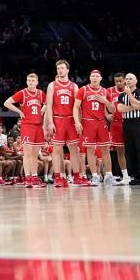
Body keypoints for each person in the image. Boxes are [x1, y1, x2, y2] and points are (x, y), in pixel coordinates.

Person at [43, 60, 83, 188]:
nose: (60, 70)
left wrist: (78, 122)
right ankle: (58, 177)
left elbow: (77, 107)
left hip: (71, 120)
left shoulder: (74, 86)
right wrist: (49, 123)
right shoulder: (52, 85)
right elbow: (48, 105)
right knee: (56, 150)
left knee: (74, 150)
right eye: (58, 68)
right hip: (57, 119)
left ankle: (77, 177)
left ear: (67, 70)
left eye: (62, 68)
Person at [74, 70, 113, 185]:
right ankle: (95, 176)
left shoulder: (105, 92)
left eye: (97, 76)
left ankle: (108, 175)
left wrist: (105, 101)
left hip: (101, 122)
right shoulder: (83, 90)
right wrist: (77, 121)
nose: (95, 78)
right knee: (90, 150)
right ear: (90, 78)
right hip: (88, 122)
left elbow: (113, 110)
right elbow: (76, 107)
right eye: (93, 76)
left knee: (105, 149)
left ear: (100, 78)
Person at [116, 73, 140, 185]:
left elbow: (138, 104)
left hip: (139, 123)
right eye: (127, 79)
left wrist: (130, 95)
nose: (128, 80)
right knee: (130, 151)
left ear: (136, 81)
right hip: (127, 124)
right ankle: (135, 177)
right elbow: (120, 108)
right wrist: (134, 106)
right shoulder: (121, 95)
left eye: (131, 79)